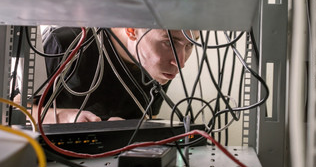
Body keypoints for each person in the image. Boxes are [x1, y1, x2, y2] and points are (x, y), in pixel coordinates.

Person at [39, 27, 198, 123]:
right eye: (169, 42)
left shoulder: (161, 67)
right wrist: (64, 118)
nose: (180, 62)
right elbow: (17, 110)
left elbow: (148, 121)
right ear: (132, 30)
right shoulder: (66, 43)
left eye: (190, 44)